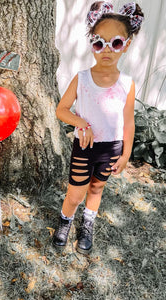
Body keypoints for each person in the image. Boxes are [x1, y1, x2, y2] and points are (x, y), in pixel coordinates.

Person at [53, 1, 144, 254]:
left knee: (97, 187)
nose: (106, 49)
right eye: (98, 42)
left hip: (111, 148)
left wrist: (125, 154)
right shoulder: (81, 79)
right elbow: (61, 110)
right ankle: (65, 221)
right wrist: (81, 122)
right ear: (92, 44)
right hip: (84, 147)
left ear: (125, 45)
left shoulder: (127, 83)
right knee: (75, 194)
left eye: (115, 42)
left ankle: (88, 223)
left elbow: (128, 121)